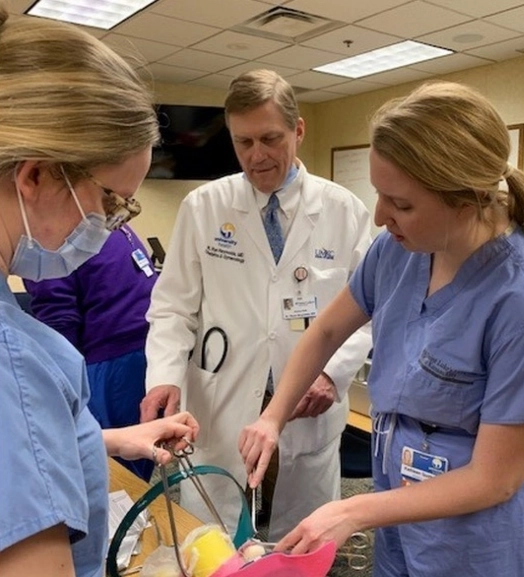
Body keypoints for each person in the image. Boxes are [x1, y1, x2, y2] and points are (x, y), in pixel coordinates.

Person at [239, 81, 524, 576]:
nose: (380, 217)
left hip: (478, 535)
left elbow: (494, 479)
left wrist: (351, 510)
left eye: (401, 203)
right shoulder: (398, 250)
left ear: (468, 198)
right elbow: (327, 332)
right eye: (379, 195)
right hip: (398, 500)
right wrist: (272, 417)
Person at [0, 6, 200, 577]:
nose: (110, 221)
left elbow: (19, 457)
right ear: (35, 176)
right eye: (109, 199)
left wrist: (102, 438)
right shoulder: (17, 363)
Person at [141, 69, 372, 540]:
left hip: (308, 397)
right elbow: (172, 307)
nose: (256, 155)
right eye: (243, 141)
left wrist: (335, 371)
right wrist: (163, 375)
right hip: (223, 392)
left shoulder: (344, 211)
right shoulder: (204, 206)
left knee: (301, 530)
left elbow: (371, 309)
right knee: (214, 529)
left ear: (299, 130)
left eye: (270, 138)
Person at [24, 225, 158, 480]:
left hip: (143, 348)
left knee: (142, 449)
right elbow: (58, 315)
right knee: (116, 464)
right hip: (110, 362)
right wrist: (64, 385)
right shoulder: (51, 232)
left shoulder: (109, 221)